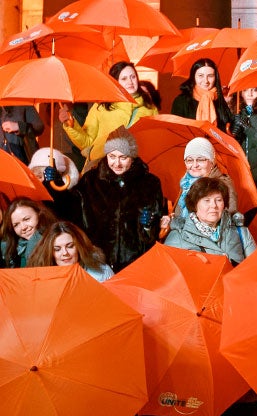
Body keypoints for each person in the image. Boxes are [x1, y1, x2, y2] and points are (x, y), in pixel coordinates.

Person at [71, 125, 164, 272]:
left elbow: (158, 225)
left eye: (123, 157)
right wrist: (55, 185)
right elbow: (70, 210)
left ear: (132, 158)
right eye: (112, 157)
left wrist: (148, 226)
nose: (117, 163)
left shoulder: (149, 183)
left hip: (136, 262)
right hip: (98, 261)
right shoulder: (91, 181)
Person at [59, 61, 158, 166]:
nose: (130, 81)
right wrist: (70, 125)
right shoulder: (101, 107)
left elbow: (153, 142)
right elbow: (87, 142)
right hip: (102, 166)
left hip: (134, 168)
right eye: (124, 79)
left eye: (133, 77)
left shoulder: (150, 108)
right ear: (115, 82)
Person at [165, 177, 256, 265]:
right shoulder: (177, 237)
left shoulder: (240, 231)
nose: (214, 205)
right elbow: (171, 275)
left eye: (218, 200)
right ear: (195, 205)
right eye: (207, 200)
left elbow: (254, 268)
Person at [27, 221, 114, 282]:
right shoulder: (40, 278)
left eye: (70, 246)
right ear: (50, 252)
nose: (65, 253)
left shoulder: (102, 273)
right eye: (57, 249)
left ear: (80, 246)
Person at [171, 58, 234, 134]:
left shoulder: (219, 99)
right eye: (200, 76)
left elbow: (228, 128)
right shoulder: (181, 101)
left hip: (215, 145)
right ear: (193, 77)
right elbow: (175, 130)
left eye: (210, 76)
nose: (206, 81)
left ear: (216, 78)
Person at [1, 197, 57, 268]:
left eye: (26, 219)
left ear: (39, 214)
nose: (23, 227)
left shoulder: (55, 240)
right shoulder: (14, 248)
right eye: (16, 225)